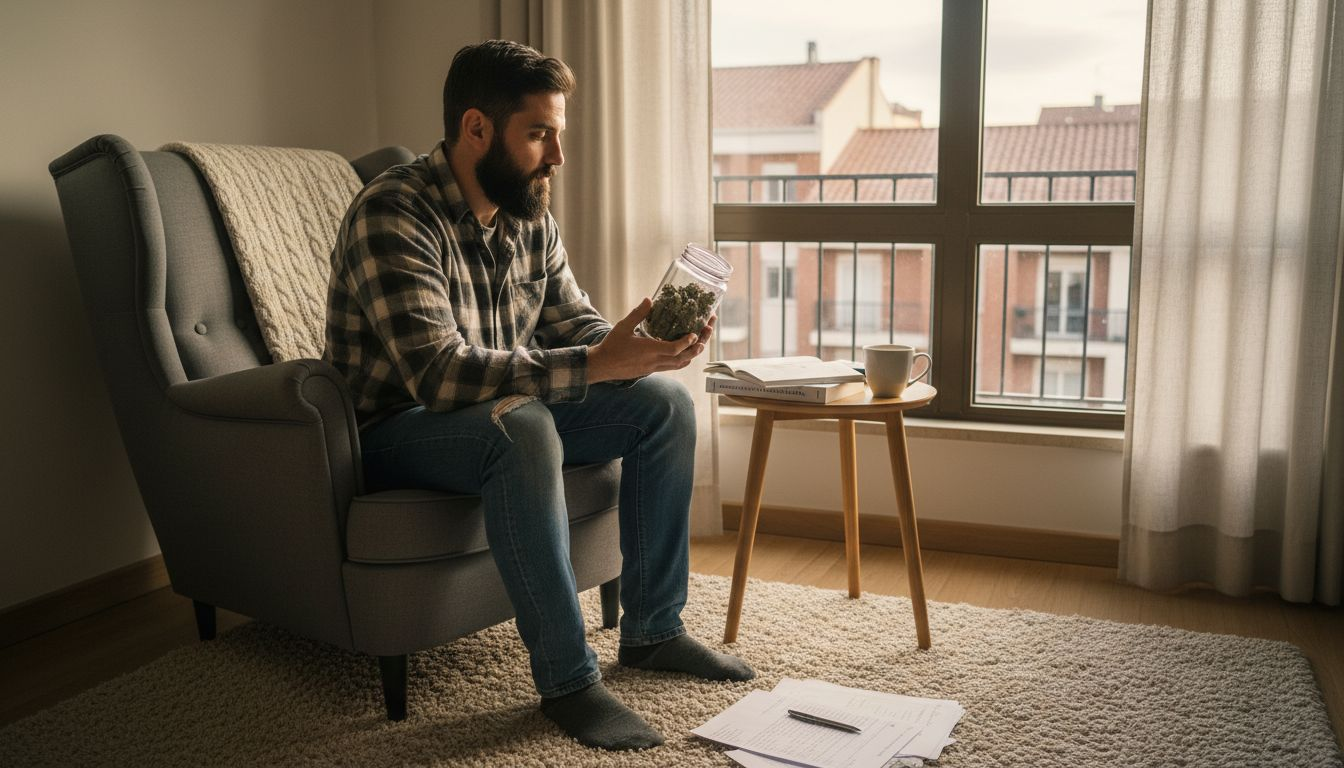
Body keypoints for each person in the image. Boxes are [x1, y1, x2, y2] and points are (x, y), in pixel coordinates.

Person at [322, 39, 754, 751]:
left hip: (494, 408)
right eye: (539, 134)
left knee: (664, 407)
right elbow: (438, 373)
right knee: (522, 427)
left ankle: (653, 632)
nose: (557, 155)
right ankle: (568, 682)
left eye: (560, 134)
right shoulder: (392, 214)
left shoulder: (529, 218)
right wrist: (593, 360)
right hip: (398, 427)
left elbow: (571, 322)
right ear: (476, 129)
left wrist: (636, 352)